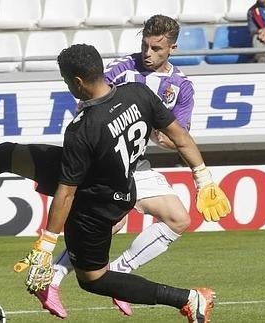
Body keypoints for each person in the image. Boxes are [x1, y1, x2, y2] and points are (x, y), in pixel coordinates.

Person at [0, 44, 230, 323]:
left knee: (93, 280)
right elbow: (179, 135)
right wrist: (203, 177)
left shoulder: (83, 127)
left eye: (65, 80)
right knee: (6, 154)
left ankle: (188, 299)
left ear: (77, 82)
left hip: (97, 203)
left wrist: (45, 247)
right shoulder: (136, 93)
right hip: (110, 179)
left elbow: (67, 192)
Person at [40, 14, 197, 318]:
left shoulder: (181, 85)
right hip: (107, 161)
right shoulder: (122, 68)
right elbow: (88, 102)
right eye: (145, 46)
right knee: (110, 222)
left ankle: (120, 273)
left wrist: (150, 122)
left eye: (157, 49)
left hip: (136, 162)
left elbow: (178, 137)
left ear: (172, 49)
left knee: (178, 219)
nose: (148, 54)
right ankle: (57, 280)